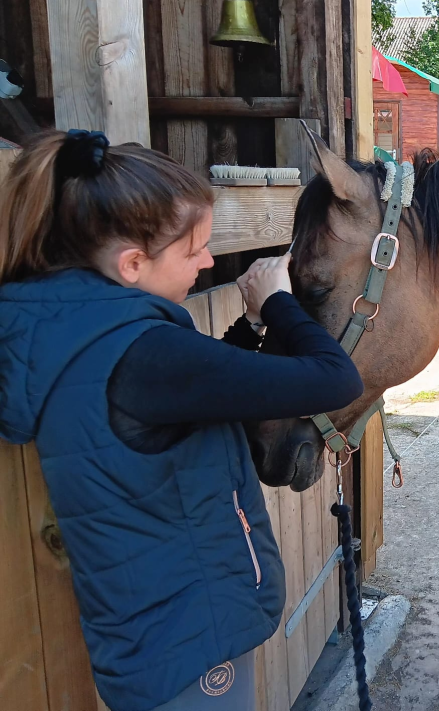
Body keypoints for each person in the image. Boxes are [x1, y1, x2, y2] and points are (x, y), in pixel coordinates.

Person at [0, 129, 363, 711]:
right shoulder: (144, 355)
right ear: (132, 263)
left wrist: (249, 328)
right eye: (193, 249)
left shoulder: (78, 336)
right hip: (191, 645)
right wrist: (277, 300)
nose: (209, 261)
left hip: (152, 635)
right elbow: (336, 379)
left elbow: (199, 397)